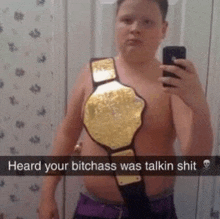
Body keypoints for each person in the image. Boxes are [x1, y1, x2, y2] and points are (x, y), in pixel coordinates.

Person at [38, 0, 213, 218]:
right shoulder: (90, 74)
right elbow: (66, 134)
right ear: (115, 24)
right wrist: (47, 194)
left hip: (152, 211)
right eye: (126, 20)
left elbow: (198, 162)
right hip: (92, 210)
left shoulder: (172, 83)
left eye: (147, 22)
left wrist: (200, 106)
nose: (135, 28)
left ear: (163, 30)